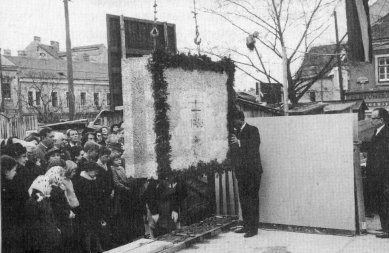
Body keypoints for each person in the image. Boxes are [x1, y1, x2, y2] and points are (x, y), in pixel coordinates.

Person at [230, 110, 262, 238]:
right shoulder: (236, 133)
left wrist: (239, 142)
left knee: (252, 200)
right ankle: (246, 226)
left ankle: (253, 229)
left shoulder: (253, 130)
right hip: (242, 173)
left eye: (234, 120)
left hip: (253, 173)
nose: (233, 123)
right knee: (243, 200)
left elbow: (254, 146)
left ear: (240, 119)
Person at [361, 108, 389, 238]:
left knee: (385, 201)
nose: (371, 120)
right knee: (381, 202)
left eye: (373, 118)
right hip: (378, 174)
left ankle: (387, 230)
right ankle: (385, 227)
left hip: (383, 175)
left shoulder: (386, 133)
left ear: (381, 119)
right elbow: (373, 147)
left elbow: (383, 156)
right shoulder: (378, 131)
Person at [24, 175, 62, 253]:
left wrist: (55, 229)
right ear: (43, 186)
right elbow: (35, 224)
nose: (51, 188)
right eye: (49, 186)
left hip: (48, 237)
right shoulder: (35, 202)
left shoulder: (44, 199)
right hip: (41, 241)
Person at [73, 161, 105, 253]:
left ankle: (98, 248)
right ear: (88, 170)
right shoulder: (81, 181)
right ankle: (88, 250)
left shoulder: (94, 179)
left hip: (94, 209)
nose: (96, 173)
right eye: (94, 171)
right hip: (85, 211)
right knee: (87, 232)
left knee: (95, 229)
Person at [1, 155, 22, 253]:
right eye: (14, 170)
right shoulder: (6, 187)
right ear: (6, 171)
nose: (15, 172)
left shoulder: (8, 184)